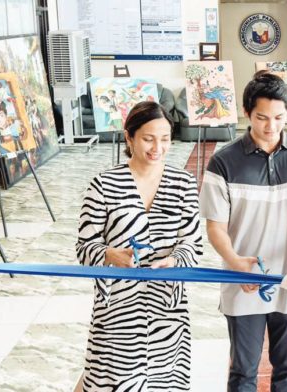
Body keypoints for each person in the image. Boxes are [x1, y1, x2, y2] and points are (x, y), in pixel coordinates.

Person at [200, 71, 287, 391]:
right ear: (246, 112)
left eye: (279, 117)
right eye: (261, 117)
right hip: (243, 282)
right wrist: (235, 261)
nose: (270, 126)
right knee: (243, 372)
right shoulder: (223, 163)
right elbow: (215, 228)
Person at [75, 101, 203, 391]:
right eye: (148, 138)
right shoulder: (103, 185)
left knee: (163, 382)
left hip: (167, 311)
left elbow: (192, 243)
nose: (157, 147)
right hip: (118, 310)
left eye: (165, 139)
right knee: (112, 380)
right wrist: (110, 254)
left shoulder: (183, 183)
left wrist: (176, 260)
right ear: (129, 137)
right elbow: (84, 247)